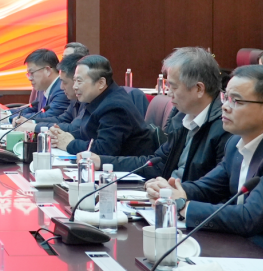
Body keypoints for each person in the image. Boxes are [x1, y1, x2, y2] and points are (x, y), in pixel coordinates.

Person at [149, 65, 263, 255]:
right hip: (239, 245)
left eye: (236, 101)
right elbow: (208, 187)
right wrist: (169, 192)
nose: (225, 106)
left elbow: (249, 217)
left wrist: (183, 206)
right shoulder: (235, 142)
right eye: (225, 97)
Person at [82, 47, 231, 182]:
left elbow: (215, 189)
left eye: (173, 87)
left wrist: (179, 192)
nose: (169, 93)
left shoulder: (223, 129)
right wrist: (102, 161)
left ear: (199, 89)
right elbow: (157, 163)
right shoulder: (181, 117)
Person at [48, 55, 155, 157]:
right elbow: (90, 133)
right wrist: (65, 136)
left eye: (79, 81)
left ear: (101, 83)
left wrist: (69, 143)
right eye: (74, 80)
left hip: (129, 168)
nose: (75, 86)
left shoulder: (115, 107)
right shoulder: (96, 98)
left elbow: (104, 150)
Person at [12, 49, 69, 132]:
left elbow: (47, 116)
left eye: (32, 73)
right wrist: (7, 113)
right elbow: (32, 108)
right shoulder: (43, 87)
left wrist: (13, 118)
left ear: (47, 70)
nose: (30, 78)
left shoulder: (62, 89)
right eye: (28, 74)